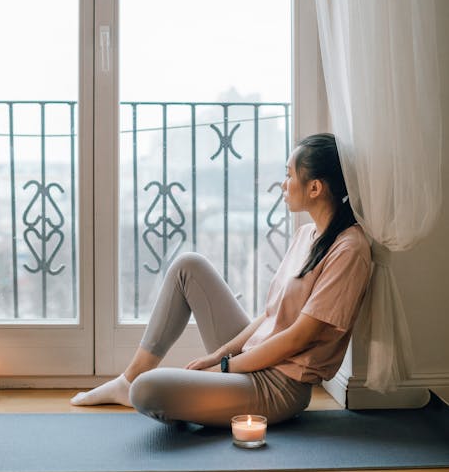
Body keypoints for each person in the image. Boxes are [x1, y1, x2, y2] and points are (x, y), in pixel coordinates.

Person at [71, 133, 371, 426]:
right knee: (188, 266)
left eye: (289, 175)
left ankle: (160, 392)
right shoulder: (306, 234)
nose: (283, 183)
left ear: (315, 187)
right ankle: (129, 378)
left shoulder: (349, 249)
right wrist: (220, 355)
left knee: (147, 391)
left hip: (278, 386)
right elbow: (269, 315)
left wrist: (224, 367)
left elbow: (299, 337)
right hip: (255, 354)